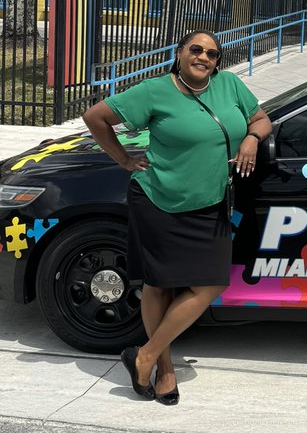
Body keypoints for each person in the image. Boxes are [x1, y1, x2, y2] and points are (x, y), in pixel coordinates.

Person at [83, 30, 273, 405]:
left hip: (209, 203)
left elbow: (262, 118)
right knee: (160, 285)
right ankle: (164, 370)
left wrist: (251, 138)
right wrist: (123, 159)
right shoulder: (155, 91)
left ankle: (145, 354)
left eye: (213, 54)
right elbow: (96, 117)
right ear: (180, 52)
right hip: (158, 199)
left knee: (210, 284)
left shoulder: (230, 85)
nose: (204, 58)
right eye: (196, 50)